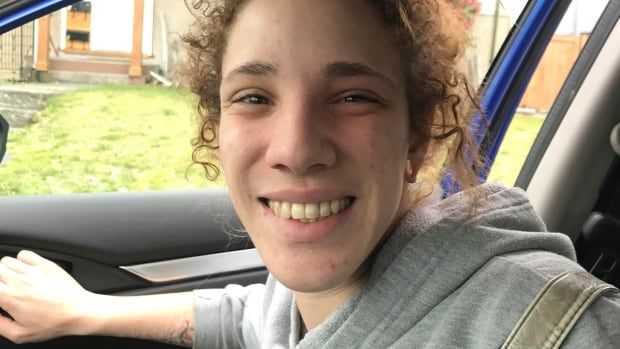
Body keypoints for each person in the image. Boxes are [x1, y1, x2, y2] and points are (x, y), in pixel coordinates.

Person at [0, 0, 618, 348]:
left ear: (416, 136)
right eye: (254, 97)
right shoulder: (303, 301)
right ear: (219, 126)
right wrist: (85, 313)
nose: (296, 149)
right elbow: (245, 318)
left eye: (352, 97)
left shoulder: (557, 326)